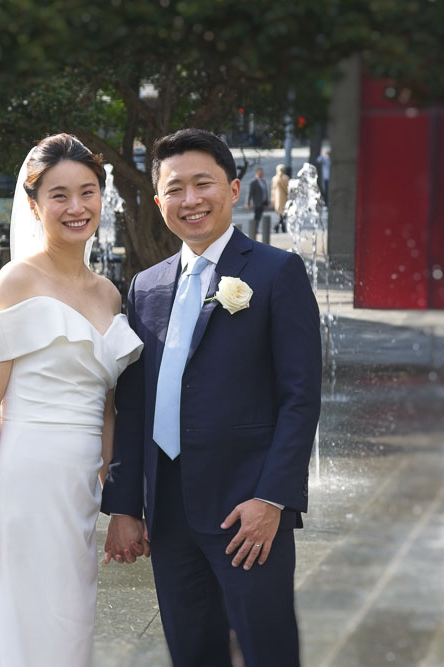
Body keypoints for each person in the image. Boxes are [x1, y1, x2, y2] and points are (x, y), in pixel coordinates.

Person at [102, 129, 321, 667]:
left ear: (235, 190)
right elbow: (133, 405)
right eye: (175, 189)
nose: (191, 200)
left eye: (204, 184)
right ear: (159, 203)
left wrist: (273, 499)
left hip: (246, 509)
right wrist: (125, 505)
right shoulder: (145, 287)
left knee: (267, 648)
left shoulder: (276, 272)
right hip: (168, 511)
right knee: (191, 648)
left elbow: (301, 397)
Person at [0, 133, 143, 667]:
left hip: (78, 485)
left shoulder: (109, 293)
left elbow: (107, 408)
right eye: (59, 195)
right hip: (21, 478)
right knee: (20, 614)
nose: (76, 207)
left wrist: (117, 496)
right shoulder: (16, 281)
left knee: (68, 617)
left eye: (87, 192)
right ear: (34, 205)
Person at [243, 166, 268, 239]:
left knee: (259, 217)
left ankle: (255, 230)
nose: (262, 174)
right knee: (256, 217)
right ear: (257, 173)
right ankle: (254, 230)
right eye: (260, 173)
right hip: (256, 203)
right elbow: (249, 193)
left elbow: (265, 192)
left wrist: (266, 202)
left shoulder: (263, 181)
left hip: (262, 203)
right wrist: (247, 203)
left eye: (262, 173)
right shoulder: (253, 182)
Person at [271, 163, 289, 233]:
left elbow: (273, 189)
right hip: (284, 198)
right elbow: (288, 189)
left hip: (277, 198)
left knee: (281, 214)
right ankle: (279, 227)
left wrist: (272, 198)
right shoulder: (286, 178)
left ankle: (280, 227)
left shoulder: (275, 178)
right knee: (283, 214)